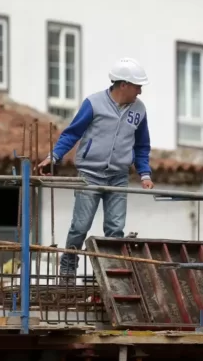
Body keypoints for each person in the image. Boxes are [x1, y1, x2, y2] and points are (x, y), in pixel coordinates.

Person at [37, 58, 154, 283]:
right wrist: (54, 156)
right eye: (137, 86)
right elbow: (72, 133)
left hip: (118, 177)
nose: (140, 91)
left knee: (115, 229)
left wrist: (145, 173)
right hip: (90, 175)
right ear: (124, 85)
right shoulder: (93, 103)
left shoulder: (139, 110)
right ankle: (69, 269)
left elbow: (142, 145)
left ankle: (111, 275)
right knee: (80, 226)